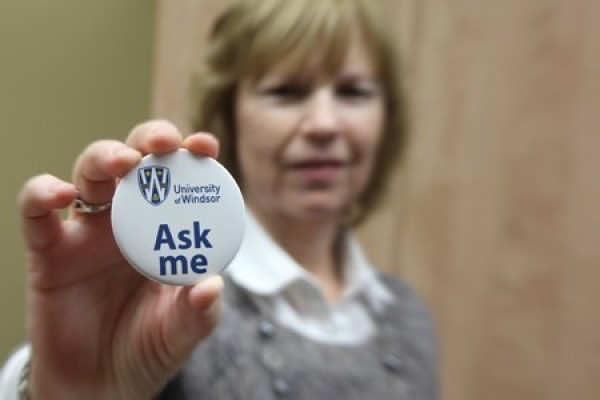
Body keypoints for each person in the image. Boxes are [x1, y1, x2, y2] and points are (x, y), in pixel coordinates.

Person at [1, 0, 438, 398]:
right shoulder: (160, 302)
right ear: (231, 116)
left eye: (353, 92)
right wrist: (60, 391)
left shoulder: (408, 316)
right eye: (286, 91)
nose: (324, 124)